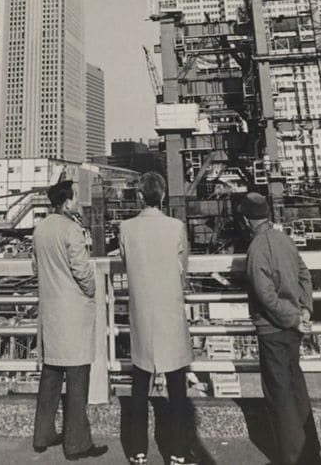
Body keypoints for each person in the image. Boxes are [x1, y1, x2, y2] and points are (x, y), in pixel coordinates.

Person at [119, 172, 195, 465]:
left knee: (139, 385)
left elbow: (127, 262)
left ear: (140, 196)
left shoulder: (126, 228)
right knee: (177, 388)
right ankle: (177, 452)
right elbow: (182, 269)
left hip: (141, 313)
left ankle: (138, 451)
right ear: (162, 195)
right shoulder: (176, 226)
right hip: (169, 313)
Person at [241, 192, 321, 465]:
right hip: (295, 325)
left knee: (279, 394)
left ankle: (292, 457)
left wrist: (291, 318)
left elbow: (266, 297)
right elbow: (305, 275)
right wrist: (305, 310)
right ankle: (312, 451)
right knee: (297, 385)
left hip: (272, 328)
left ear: (246, 220)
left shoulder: (256, 249)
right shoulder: (285, 239)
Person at [32, 178, 107, 461]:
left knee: (50, 375)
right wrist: (91, 290)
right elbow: (82, 270)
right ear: (67, 201)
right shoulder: (72, 229)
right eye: (76, 196)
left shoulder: (41, 228)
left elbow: (35, 267)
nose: (79, 200)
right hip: (72, 311)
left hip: (49, 309)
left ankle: (42, 435)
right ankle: (77, 444)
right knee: (77, 379)